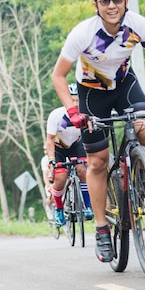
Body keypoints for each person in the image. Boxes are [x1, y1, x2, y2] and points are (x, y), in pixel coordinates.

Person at [51, 0, 145, 263]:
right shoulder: (83, 33)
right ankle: (102, 229)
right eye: (105, 1)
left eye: (117, 0)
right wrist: (73, 110)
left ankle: (142, 175)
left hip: (125, 84)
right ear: (96, 5)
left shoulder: (138, 25)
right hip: (91, 93)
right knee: (98, 161)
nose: (112, 5)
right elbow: (58, 76)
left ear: (126, 1)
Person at [45, 83, 94, 226]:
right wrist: (51, 159)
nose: (76, 104)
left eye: (78, 100)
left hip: (76, 144)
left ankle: (86, 206)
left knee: (82, 170)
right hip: (58, 146)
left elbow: (90, 135)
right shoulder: (56, 115)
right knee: (60, 178)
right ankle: (59, 209)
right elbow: (49, 140)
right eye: (72, 100)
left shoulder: (85, 113)